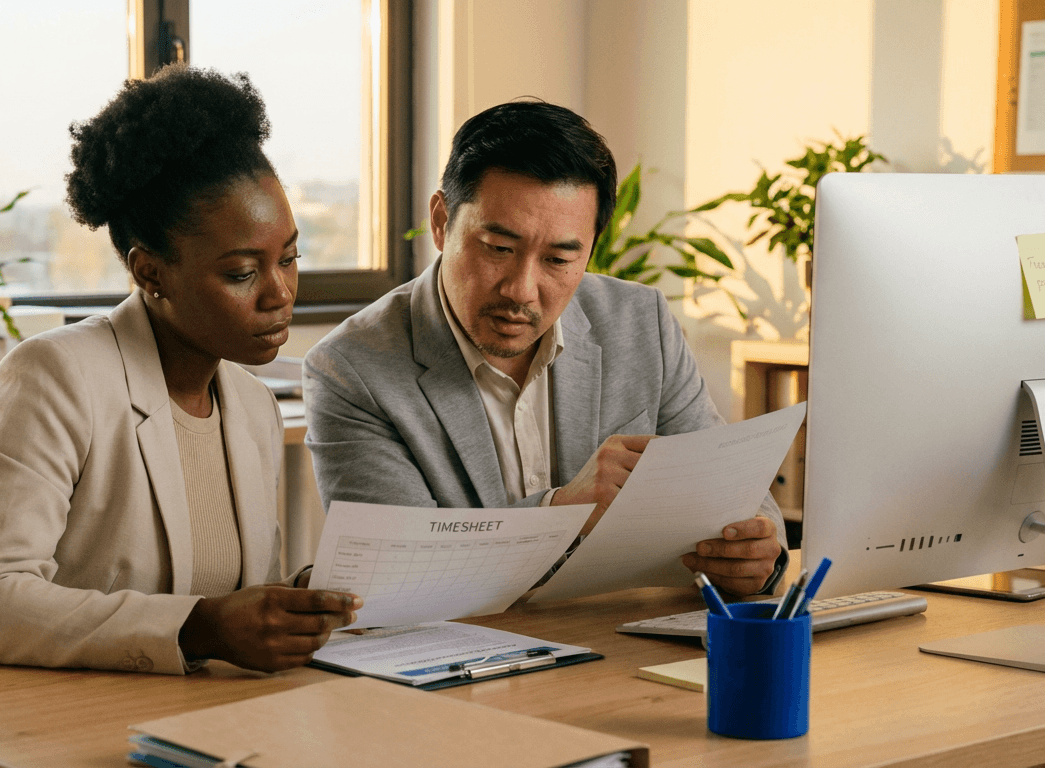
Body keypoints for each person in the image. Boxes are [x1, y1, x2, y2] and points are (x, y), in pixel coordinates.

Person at [0, 66, 359, 676]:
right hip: (24, 730)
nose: (280, 293)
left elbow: (229, 603)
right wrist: (199, 627)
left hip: (184, 725)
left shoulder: (252, 405)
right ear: (150, 272)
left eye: (289, 259)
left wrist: (305, 600)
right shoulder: (54, 378)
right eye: (242, 272)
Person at [302, 100, 787, 597]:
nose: (522, 290)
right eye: (499, 249)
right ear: (442, 221)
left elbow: (735, 491)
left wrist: (755, 553)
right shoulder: (352, 368)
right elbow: (395, 574)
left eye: (558, 258)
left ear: (590, 250)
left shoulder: (640, 323)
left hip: (616, 643)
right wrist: (559, 513)